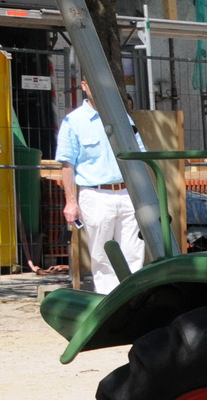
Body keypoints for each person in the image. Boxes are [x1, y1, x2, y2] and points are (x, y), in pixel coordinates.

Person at [58, 77, 143, 294]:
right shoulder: (73, 121)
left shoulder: (122, 117)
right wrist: (70, 202)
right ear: (84, 85)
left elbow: (139, 155)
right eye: (91, 83)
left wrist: (141, 193)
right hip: (95, 195)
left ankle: (132, 299)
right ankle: (108, 302)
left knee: (134, 250)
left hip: (127, 192)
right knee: (101, 253)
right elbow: (67, 164)